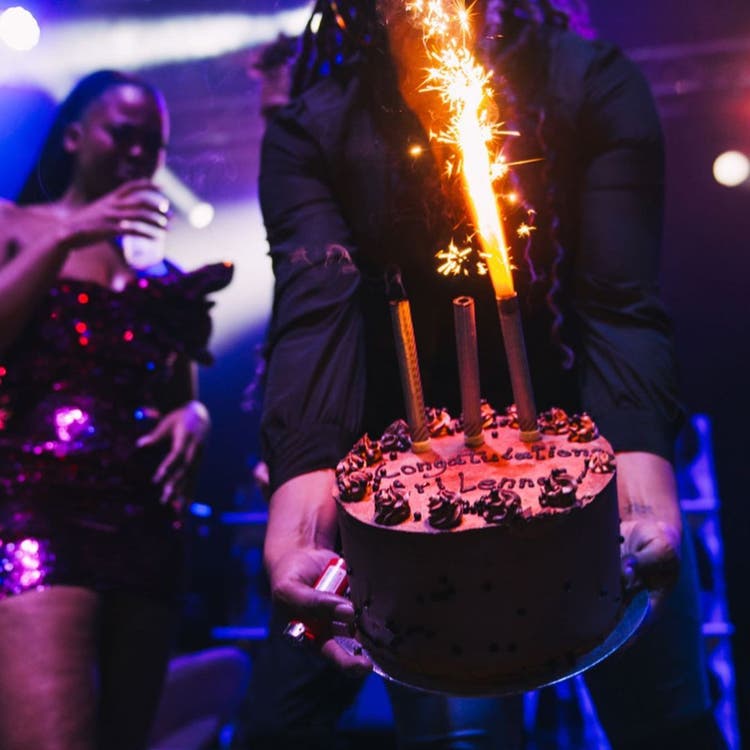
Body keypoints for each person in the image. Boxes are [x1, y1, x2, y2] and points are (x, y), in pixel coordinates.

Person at [242, 1, 727, 748]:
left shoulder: (590, 83)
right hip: (410, 502)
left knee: (666, 723)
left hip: (595, 466)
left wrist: (643, 508)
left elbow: (619, 307)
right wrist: (297, 534)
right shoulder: (314, 128)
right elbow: (316, 323)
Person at [0, 70, 232, 750]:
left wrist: (196, 420)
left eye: (152, 144)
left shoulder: (162, 276)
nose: (138, 154)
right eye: (123, 134)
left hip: (146, 522)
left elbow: (184, 400)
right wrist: (69, 233)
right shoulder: (14, 224)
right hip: (38, 509)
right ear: (74, 136)